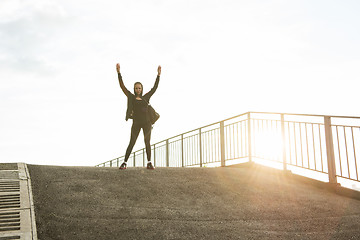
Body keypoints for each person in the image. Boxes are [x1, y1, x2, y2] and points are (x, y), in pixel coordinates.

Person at [116, 63, 161, 170]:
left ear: (142, 89)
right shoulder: (131, 97)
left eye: (139, 88)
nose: (138, 90)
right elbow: (122, 87)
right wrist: (119, 73)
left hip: (147, 123)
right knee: (132, 142)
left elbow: (154, 88)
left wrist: (158, 75)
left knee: (147, 143)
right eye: (136, 88)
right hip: (136, 123)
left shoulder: (146, 97)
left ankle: (149, 163)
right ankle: (124, 163)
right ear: (134, 89)